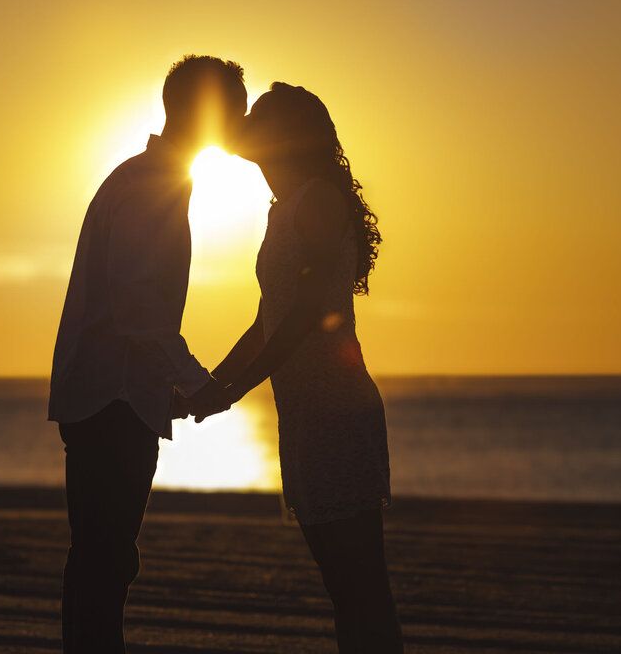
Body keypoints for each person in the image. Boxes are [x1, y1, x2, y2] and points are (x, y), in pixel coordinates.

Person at [191, 82, 403, 653]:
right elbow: (267, 318)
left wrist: (233, 391)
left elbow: (307, 314)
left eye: (261, 118)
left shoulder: (316, 201)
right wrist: (214, 381)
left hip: (338, 412)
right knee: (343, 592)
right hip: (304, 417)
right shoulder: (282, 209)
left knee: (363, 590)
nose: (248, 126)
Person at [47, 55, 246, 653]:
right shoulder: (147, 186)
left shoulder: (154, 179)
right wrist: (201, 384)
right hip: (112, 400)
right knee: (104, 562)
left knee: (103, 561)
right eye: (233, 110)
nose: (240, 122)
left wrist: (178, 385)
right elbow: (138, 312)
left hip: (116, 395)